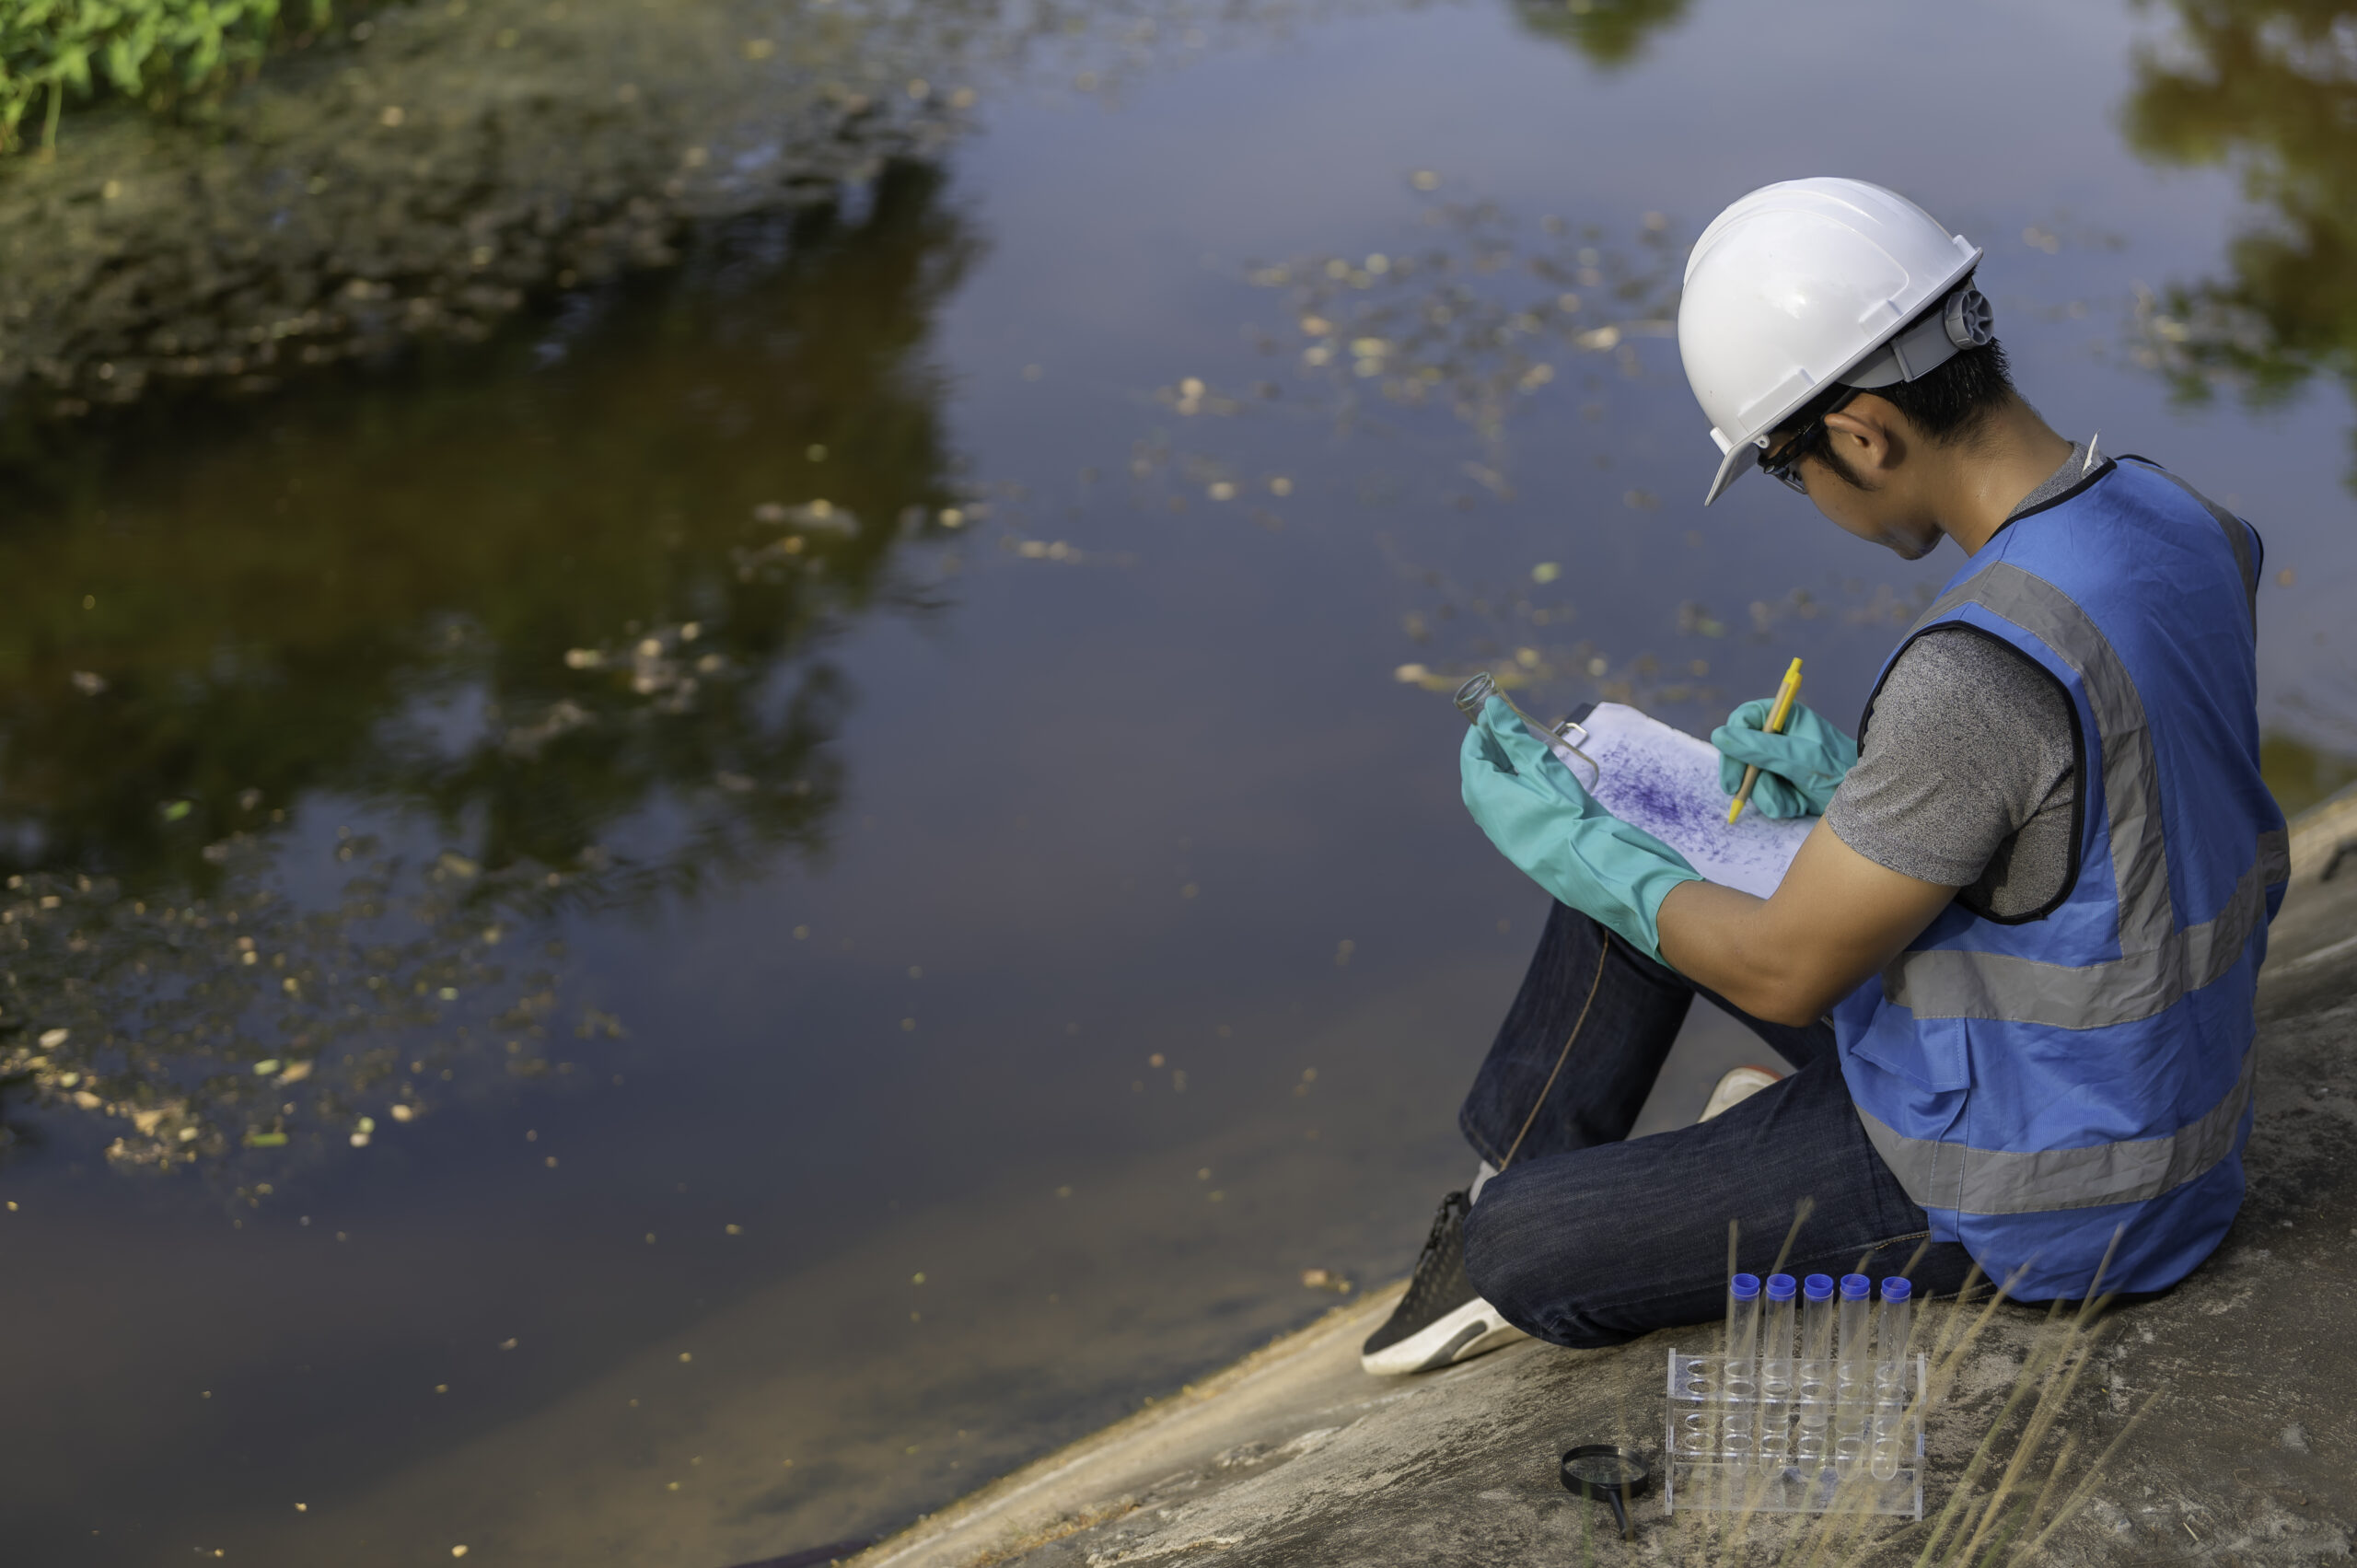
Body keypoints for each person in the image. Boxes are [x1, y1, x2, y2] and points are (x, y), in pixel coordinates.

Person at [1361, 177, 2287, 1376]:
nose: (1808, 497)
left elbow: (1785, 971)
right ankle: (1555, 1158)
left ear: (1859, 434)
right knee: (1669, 851)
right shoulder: (2181, 519)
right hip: (2138, 1088)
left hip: (2053, 1191)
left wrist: (1577, 848)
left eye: (1790, 469)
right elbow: (2123, 797)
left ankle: (1504, 1218)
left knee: (1525, 1249)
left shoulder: (1976, 670)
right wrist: (1863, 783)